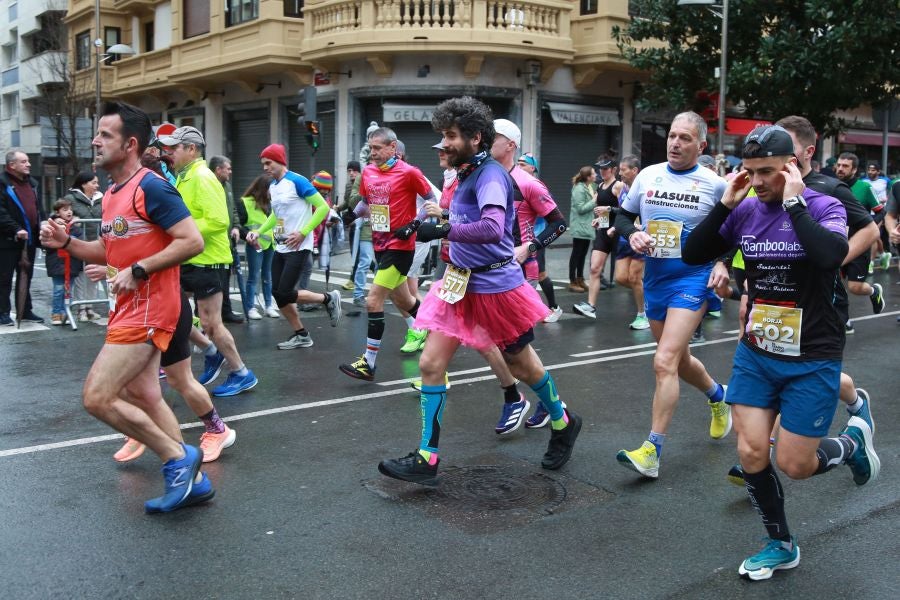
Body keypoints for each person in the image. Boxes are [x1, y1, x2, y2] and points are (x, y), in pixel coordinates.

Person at [683, 124, 878, 581]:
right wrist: (726, 203)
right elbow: (694, 252)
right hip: (758, 349)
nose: (759, 182)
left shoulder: (824, 205)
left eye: (768, 172)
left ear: (791, 166)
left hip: (813, 352)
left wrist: (794, 202)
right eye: (750, 172)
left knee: (795, 465)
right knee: (751, 452)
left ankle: (851, 444)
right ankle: (780, 543)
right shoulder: (745, 209)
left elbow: (831, 255)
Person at [377, 96, 581, 484]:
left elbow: (490, 229)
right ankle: (427, 456)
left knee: (522, 364)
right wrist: (428, 222)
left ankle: (563, 420)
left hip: (495, 287)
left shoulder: (490, 175)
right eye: (442, 135)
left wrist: (443, 229)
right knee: (430, 365)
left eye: (451, 136)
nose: (443, 143)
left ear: (475, 137)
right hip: (457, 283)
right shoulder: (466, 173)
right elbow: (463, 218)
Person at [39, 101, 212, 513]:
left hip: (152, 308)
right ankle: (196, 480)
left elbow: (191, 241)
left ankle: (177, 459)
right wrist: (66, 243)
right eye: (98, 134)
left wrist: (138, 269)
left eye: (106, 135)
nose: (96, 141)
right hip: (127, 308)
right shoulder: (113, 194)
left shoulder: (152, 185)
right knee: (145, 395)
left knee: (97, 397)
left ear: (130, 144)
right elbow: (106, 250)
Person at [723, 115, 881, 485]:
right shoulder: (758, 188)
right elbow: (738, 236)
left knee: (805, 369)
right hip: (769, 306)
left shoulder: (829, 190)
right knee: (776, 367)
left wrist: (825, 263)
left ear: (803, 154)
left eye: (785, 149)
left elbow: (869, 230)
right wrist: (742, 285)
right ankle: (762, 450)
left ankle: (789, 447)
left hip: (818, 305)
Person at [612, 111, 731, 479]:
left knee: (663, 361)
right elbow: (621, 216)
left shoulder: (714, 185)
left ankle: (652, 450)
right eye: (672, 136)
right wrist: (630, 234)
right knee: (679, 361)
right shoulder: (648, 175)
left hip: (693, 279)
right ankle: (718, 396)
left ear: (701, 144)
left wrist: (724, 263)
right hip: (656, 280)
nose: (675, 143)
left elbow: (736, 228)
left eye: (684, 138)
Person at [158, 126, 257, 397]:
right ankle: (211, 351)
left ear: (191, 149)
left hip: (209, 261)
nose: (170, 153)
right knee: (172, 312)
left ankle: (241, 373)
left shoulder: (202, 177)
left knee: (212, 323)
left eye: (174, 148)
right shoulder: (184, 176)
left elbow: (218, 220)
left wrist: (179, 228)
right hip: (190, 258)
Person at [338, 126, 435, 381]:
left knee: (373, 300)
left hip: (400, 247)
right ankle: (436, 329)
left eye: (378, 148)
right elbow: (366, 203)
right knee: (405, 301)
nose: (373, 153)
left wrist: (413, 225)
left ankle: (368, 363)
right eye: (371, 148)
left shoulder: (410, 172)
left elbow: (431, 201)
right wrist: (350, 215)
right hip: (380, 245)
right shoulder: (369, 172)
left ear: (393, 147)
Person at [248, 144, 342, 349]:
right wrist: (260, 230)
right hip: (281, 246)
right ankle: (301, 334)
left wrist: (303, 232)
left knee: (285, 292)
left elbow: (323, 207)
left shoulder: (297, 181)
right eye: (263, 164)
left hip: (299, 247)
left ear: (280, 161)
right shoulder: (273, 186)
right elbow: (276, 215)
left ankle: (327, 298)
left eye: (268, 163)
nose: (265, 168)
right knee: (277, 292)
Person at [492, 120, 567, 323]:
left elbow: (559, 224)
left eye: (495, 136)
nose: (487, 139)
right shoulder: (483, 177)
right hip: (488, 265)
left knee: (515, 337)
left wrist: (531, 247)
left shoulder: (528, 183)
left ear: (511, 145)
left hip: (519, 268)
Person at [833, 152, 885, 332]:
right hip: (836, 242)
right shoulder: (831, 186)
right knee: (835, 285)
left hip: (859, 243)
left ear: (854, 169)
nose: (840, 168)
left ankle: (873, 292)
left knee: (855, 287)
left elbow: (880, 211)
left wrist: (871, 228)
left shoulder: (864, 188)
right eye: (839, 165)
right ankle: (844, 320)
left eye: (845, 166)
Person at [0, 149, 44, 325]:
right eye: (24, 162)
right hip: (7, 241)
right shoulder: (2, 184)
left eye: (28, 161)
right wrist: (15, 229)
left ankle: (25, 310)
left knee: (26, 276)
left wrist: (43, 225)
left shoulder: (31, 184)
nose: (29, 164)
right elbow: (1, 213)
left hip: (29, 240)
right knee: (4, 278)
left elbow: (37, 209)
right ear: (12, 165)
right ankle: (2, 312)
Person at [574, 158, 620, 319]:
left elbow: (627, 210)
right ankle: (591, 306)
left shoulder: (618, 186)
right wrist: (599, 220)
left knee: (628, 278)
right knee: (594, 268)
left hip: (618, 232)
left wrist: (608, 208)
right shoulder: (600, 186)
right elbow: (604, 213)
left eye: (606, 169)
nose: (602, 171)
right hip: (603, 231)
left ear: (614, 170)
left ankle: (643, 310)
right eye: (600, 169)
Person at [611, 154, 649, 330]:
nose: (620, 174)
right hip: (623, 239)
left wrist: (639, 227)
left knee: (634, 277)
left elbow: (649, 218)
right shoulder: (623, 189)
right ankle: (647, 295)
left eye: (624, 170)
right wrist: (615, 227)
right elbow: (624, 214)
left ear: (635, 171)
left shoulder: (645, 189)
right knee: (620, 278)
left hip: (640, 238)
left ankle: (643, 314)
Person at [235, 174, 278, 319]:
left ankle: (268, 306)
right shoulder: (245, 202)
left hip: (270, 244)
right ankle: (251, 307)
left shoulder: (272, 202)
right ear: (263, 188)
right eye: (271, 189)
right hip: (254, 244)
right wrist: (248, 236)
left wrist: (281, 238)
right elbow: (238, 224)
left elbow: (279, 221)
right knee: (253, 276)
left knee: (268, 276)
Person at [64, 170, 104, 321]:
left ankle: (90, 308)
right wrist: (72, 218)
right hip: (80, 244)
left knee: (93, 276)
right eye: (93, 182)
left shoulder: (101, 199)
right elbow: (60, 213)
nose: (97, 185)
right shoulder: (71, 198)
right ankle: (81, 309)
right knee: (81, 276)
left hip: (97, 243)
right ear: (83, 184)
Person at [209, 155, 244, 323]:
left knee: (225, 278)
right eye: (228, 169)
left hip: (227, 242)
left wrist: (236, 227)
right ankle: (208, 315)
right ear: (218, 170)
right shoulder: (208, 185)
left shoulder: (227, 186)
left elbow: (234, 211)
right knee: (213, 281)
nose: (230, 172)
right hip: (214, 242)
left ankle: (226, 311)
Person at [45, 199, 83, 325]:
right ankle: (56, 313)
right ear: (57, 212)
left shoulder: (75, 225)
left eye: (70, 209)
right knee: (58, 290)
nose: (69, 212)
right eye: (65, 210)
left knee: (68, 290)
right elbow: (48, 243)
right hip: (57, 262)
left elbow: (79, 240)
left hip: (72, 263)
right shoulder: (51, 225)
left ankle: (66, 314)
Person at [568, 166, 595, 293]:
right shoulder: (579, 188)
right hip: (580, 226)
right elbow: (580, 209)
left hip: (586, 226)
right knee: (576, 254)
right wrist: (594, 201)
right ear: (588, 177)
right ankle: (572, 281)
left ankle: (580, 279)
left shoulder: (589, 186)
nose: (596, 175)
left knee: (583, 254)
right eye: (594, 174)